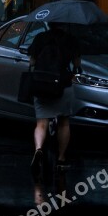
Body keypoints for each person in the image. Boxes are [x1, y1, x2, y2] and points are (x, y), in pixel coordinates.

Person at [27, 23, 82, 179]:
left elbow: (32, 62)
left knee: (41, 123)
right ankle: (61, 159)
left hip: (42, 84)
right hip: (63, 84)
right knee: (64, 122)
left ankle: (38, 149)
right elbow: (77, 64)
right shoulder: (71, 40)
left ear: (50, 24)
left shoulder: (40, 38)